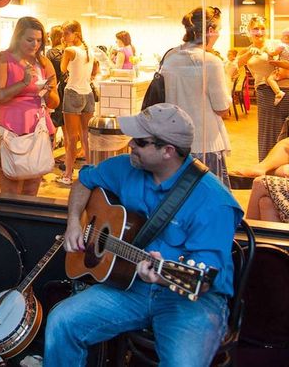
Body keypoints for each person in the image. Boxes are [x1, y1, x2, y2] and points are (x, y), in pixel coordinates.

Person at [45, 103, 243, 366]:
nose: (130, 145)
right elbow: (85, 181)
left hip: (189, 298)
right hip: (132, 286)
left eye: (139, 141)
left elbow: (203, 280)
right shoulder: (127, 167)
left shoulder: (213, 202)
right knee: (62, 321)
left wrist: (162, 277)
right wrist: (73, 222)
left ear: (168, 151)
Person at [0, 16, 59, 197]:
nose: (35, 44)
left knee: (31, 189)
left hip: (37, 128)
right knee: (9, 190)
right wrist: (23, 82)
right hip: (7, 128)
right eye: (30, 39)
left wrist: (48, 91)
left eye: (39, 40)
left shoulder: (44, 63)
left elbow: (55, 102)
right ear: (18, 37)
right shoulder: (3, 59)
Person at [161, 7, 232, 187]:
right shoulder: (211, 61)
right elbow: (222, 108)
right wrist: (229, 75)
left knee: (177, 201)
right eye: (219, 30)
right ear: (210, 31)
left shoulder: (170, 56)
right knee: (207, 202)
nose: (219, 35)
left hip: (173, 143)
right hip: (204, 143)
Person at [238, 16, 289, 160]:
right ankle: (267, 172)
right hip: (266, 93)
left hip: (286, 90)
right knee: (269, 134)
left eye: (262, 28)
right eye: (255, 29)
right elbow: (236, 66)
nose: (259, 32)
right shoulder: (246, 51)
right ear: (248, 31)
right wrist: (250, 53)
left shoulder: (276, 44)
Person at [60, 20, 99, 186]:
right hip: (87, 93)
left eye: (65, 33)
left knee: (71, 137)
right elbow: (95, 68)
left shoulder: (69, 50)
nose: (63, 36)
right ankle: (89, 172)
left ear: (75, 33)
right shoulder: (89, 49)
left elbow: (62, 69)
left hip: (73, 93)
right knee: (85, 136)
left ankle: (68, 175)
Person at [45, 25, 66, 133]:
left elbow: (47, 74)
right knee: (68, 131)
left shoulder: (51, 53)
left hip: (56, 92)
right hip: (67, 92)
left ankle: (50, 150)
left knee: (52, 128)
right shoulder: (67, 52)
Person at [265, 29, 289, 104]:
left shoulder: (282, 46)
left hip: (282, 69)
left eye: (282, 37)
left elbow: (273, 53)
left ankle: (278, 93)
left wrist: (267, 50)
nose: (280, 39)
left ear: (286, 38)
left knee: (270, 79)